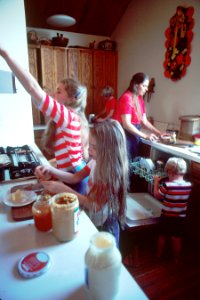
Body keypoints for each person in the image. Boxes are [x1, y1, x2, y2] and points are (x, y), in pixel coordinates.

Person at [0, 46, 89, 194]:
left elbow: (33, 88)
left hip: (74, 179)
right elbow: (64, 161)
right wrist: (46, 174)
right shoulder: (70, 118)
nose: (54, 94)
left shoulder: (68, 117)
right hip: (71, 175)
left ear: (72, 99)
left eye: (59, 91)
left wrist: (6, 54)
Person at [35, 119, 129, 245]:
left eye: (94, 147)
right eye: (89, 145)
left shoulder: (110, 174)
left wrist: (63, 189)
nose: (89, 150)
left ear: (109, 151)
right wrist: (51, 170)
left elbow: (94, 205)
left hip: (104, 227)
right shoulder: (94, 161)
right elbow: (75, 177)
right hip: (93, 218)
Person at [114, 73, 163, 162]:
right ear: (136, 85)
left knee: (132, 163)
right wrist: (145, 136)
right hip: (123, 135)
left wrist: (159, 133)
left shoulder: (139, 98)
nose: (146, 89)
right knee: (125, 165)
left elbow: (144, 121)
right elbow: (127, 125)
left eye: (147, 86)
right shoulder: (126, 98)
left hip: (133, 135)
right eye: (144, 86)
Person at [154, 157, 192, 263]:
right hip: (180, 218)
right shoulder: (188, 186)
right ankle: (176, 258)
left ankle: (158, 254)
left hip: (166, 217)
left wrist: (156, 182)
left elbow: (157, 195)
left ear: (170, 172)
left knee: (162, 236)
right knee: (176, 238)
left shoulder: (167, 185)